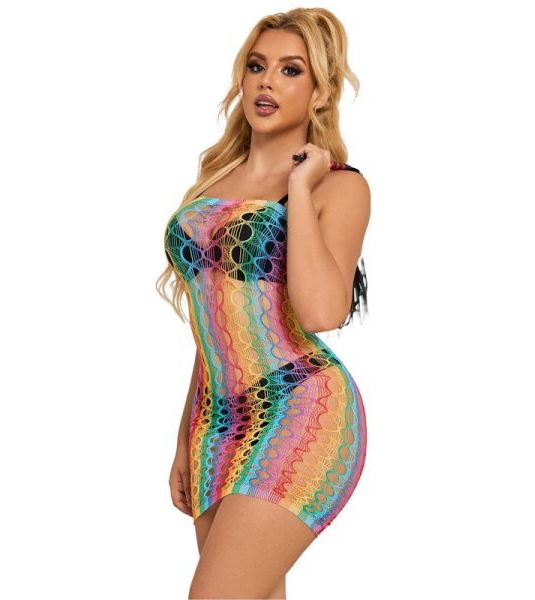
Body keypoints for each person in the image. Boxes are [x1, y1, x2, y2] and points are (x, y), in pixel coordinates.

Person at [157, 7, 371, 598]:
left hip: (301, 408)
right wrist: (184, 436)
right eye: (257, 66)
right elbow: (215, 324)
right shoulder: (212, 183)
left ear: (320, 92)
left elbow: (322, 312)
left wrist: (299, 187)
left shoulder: (340, 187)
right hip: (215, 424)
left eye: (290, 70)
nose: (267, 82)